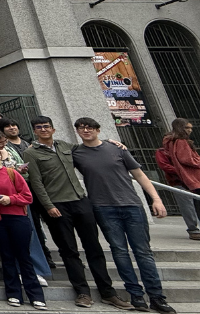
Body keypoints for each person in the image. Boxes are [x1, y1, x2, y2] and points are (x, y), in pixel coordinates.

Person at [22, 117, 131, 310]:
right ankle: (82, 292)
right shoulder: (31, 153)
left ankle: (107, 292)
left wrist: (110, 142)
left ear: (53, 129)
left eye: (46, 126)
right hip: (56, 205)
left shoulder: (67, 146)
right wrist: (48, 206)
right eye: (39, 127)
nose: (43, 130)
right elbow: (36, 182)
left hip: (80, 201)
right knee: (69, 250)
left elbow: (91, 146)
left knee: (94, 248)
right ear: (35, 131)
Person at [72, 117, 175, 313]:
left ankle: (156, 297)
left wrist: (157, 199)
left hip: (131, 205)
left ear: (98, 130)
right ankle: (135, 295)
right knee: (119, 251)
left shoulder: (117, 149)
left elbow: (139, 175)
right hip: (103, 208)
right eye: (81, 128)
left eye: (90, 127)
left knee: (143, 252)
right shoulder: (76, 153)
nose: (86, 131)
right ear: (77, 131)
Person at [0, 145, 46, 310]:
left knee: (23, 256)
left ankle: (35, 294)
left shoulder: (12, 173)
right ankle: (13, 293)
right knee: (6, 256)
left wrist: (10, 199)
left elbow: (27, 196)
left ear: (0, 155)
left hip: (17, 218)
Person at [162, 118, 200, 241]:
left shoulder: (174, 142)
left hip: (197, 178)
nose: (190, 130)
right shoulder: (180, 141)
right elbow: (188, 160)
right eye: (187, 128)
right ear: (181, 128)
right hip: (198, 178)